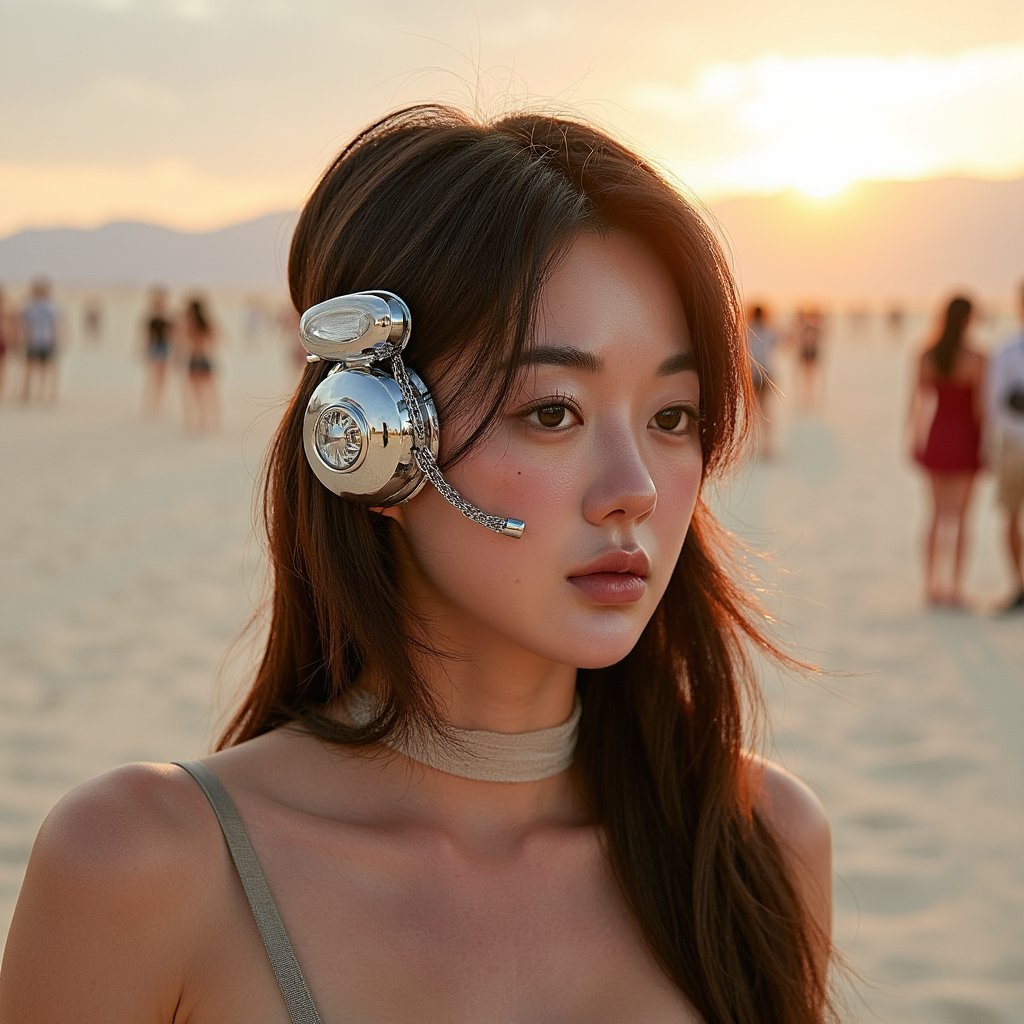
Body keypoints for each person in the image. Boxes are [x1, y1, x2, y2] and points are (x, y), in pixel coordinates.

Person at [0, 105, 838, 1023]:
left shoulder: (760, 845)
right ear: (370, 445)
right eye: (552, 411)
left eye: (672, 416)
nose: (633, 487)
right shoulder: (145, 865)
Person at [908, 295, 986, 608]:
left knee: (935, 516)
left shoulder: (926, 354)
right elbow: (981, 409)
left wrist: (914, 439)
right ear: (968, 320)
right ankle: (953, 587)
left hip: (937, 436)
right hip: (967, 437)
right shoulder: (977, 358)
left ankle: (930, 585)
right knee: (961, 519)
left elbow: (915, 404)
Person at [986, 282, 1024, 613]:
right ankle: (1018, 584)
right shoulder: (1007, 350)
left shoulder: (1008, 351)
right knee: (1011, 516)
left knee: (1011, 516)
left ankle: (1018, 583)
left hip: (1013, 444)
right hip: (1013, 444)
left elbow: (996, 404)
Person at [180, 293, 220, 432]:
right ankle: (212, 419)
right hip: (205, 359)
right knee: (209, 392)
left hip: (194, 360)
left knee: (196, 394)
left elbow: (182, 340)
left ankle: (201, 420)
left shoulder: (190, 324)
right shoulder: (206, 323)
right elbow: (216, 337)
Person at [746, 302, 781, 458]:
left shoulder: (748, 330)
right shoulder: (768, 331)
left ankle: (755, 446)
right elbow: (783, 341)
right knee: (765, 411)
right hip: (766, 375)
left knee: (753, 412)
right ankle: (766, 446)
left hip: (753, 376)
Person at [19, 276, 61, 403]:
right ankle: (33, 393)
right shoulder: (35, 306)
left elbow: (56, 324)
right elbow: (25, 324)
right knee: (36, 367)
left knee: (44, 367)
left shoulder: (47, 306)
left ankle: (45, 393)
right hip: (38, 340)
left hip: (42, 340)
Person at [141, 285, 175, 415]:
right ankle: (153, 403)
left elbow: (172, 337)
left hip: (163, 348)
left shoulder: (166, 318)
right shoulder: (152, 319)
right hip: (156, 348)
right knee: (154, 378)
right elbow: (147, 337)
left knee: (161, 379)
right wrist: (145, 350)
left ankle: (158, 404)